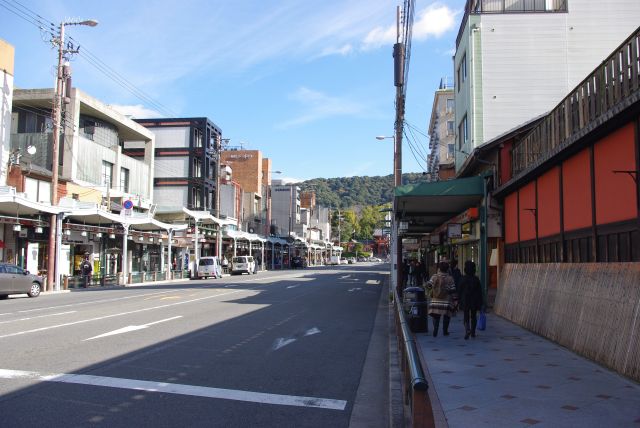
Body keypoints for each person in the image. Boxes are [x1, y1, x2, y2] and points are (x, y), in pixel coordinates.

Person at [426, 261, 456, 337]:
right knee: (447, 316)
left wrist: (430, 291)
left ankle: (435, 329)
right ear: (447, 269)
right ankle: (445, 331)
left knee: (436, 316)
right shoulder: (450, 278)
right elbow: (453, 290)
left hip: (435, 300)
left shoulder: (434, 277)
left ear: (439, 268)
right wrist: (455, 300)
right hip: (447, 301)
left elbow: (428, 286)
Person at [458, 260, 484, 340]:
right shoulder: (476, 279)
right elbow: (480, 292)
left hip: (465, 299)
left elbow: (459, 290)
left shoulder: (462, 279)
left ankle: (467, 330)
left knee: (466, 315)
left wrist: (458, 300)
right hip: (474, 300)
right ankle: (473, 332)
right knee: (473, 316)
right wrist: (481, 302)